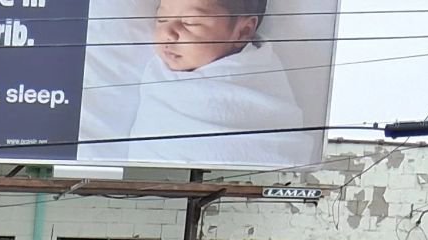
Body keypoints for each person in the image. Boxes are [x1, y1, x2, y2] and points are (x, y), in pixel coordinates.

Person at [78, 0, 323, 168]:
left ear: (244, 30)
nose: (168, 33)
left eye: (191, 23)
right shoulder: (158, 73)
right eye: (161, 19)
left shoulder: (258, 77)